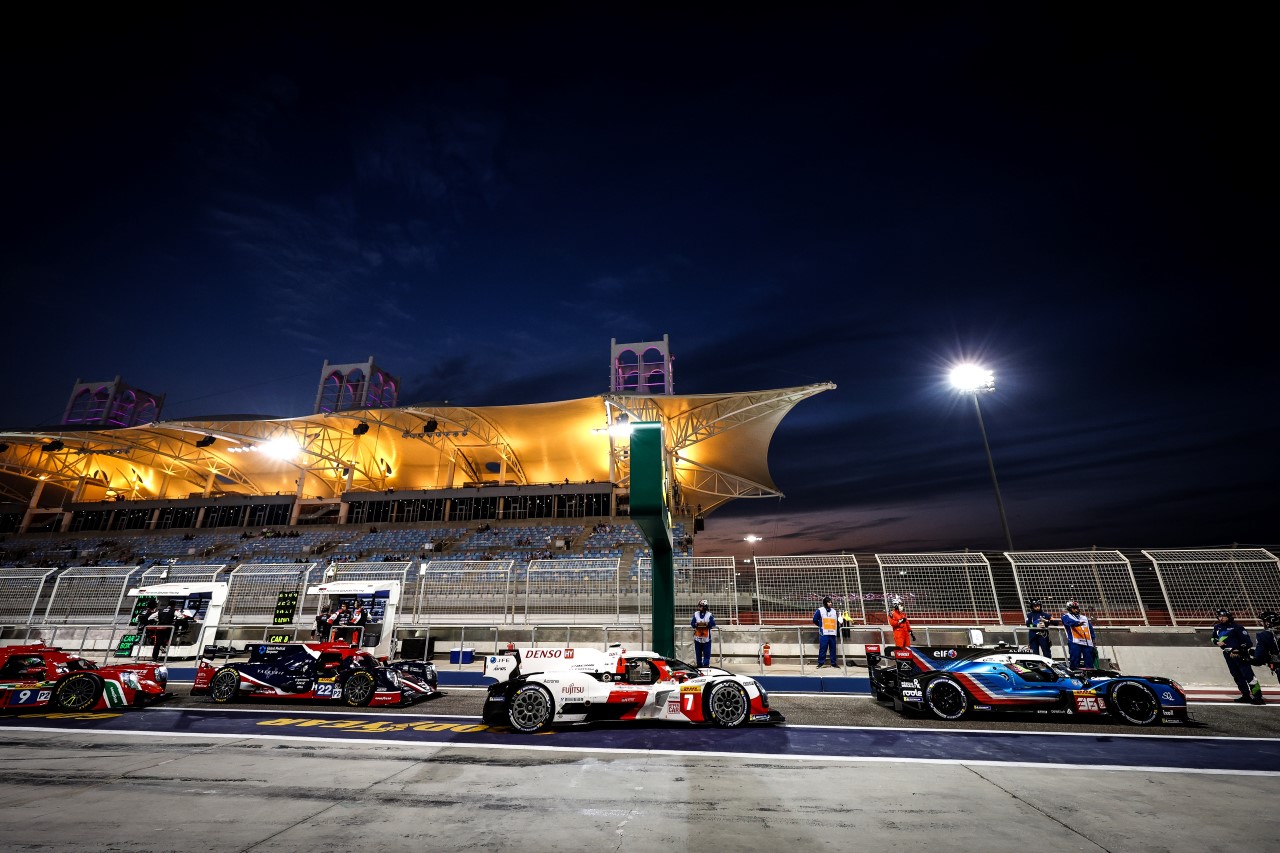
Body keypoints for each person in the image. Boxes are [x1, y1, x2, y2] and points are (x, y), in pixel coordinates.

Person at [1213, 608, 1264, 704]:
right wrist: (1217, 642)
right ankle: (1245, 695)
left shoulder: (1237, 627)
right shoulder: (1217, 627)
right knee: (1236, 675)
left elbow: (1248, 643)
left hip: (1240, 655)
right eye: (1219, 616)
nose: (1221, 618)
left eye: (1223, 616)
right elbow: (1213, 638)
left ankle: (1258, 697)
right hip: (1227, 655)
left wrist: (1237, 651)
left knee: (1249, 675)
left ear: (1228, 616)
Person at [1243, 609, 1279, 687]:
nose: (1262, 623)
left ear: (1267, 623)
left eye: (1263, 621)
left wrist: (1249, 659)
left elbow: (1260, 657)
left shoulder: (1263, 635)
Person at [1060, 601, 1097, 669]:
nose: (1076, 610)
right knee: (1075, 659)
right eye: (1074, 608)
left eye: (1077, 608)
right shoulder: (1065, 616)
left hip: (1087, 642)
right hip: (1075, 641)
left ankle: (1090, 673)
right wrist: (1077, 623)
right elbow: (1068, 622)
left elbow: (1090, 629)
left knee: (1089, 660)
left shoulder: (1084, 618)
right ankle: (1074, 672)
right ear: (1069, 609)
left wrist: (1093, 640)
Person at [812, 596, 840, 669]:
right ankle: (820, 663)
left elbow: (836, 622)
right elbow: (815, 619)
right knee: (823, 648)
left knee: (833, 649)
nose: (830, 603)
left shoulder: (834, 611)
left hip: (832, 633)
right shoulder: (820, 610)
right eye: (828, 602)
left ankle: (833, 664)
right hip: (824, 633)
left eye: (831, 602)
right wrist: (820, 625)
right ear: (825, 603)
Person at [690, 599, 716, 667]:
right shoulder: (696, 614)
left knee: (707, 653)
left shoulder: (709, 615)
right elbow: (692, 623)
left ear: (705, 607)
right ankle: (699, 665)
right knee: (698, 653)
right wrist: (696, 624)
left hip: (706, 638)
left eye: (701, 606)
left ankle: (706, 665)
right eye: (699, 606)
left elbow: (713, 624)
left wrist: (707, 624)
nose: (699, 608)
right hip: (698, 638)